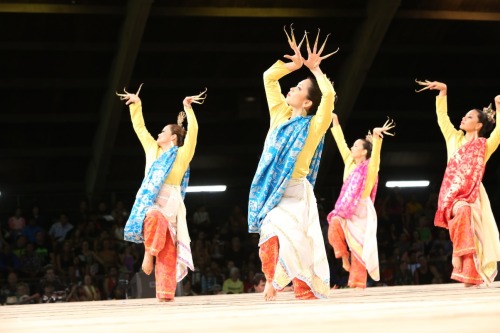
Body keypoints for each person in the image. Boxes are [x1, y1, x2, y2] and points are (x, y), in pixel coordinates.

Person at [248, 25, 337, 301]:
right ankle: (272, 279)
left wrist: (316, 70)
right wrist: (294, 66)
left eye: (297, 87)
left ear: (308, 102)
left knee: (299, 245)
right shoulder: (279, 113)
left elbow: (330, 97)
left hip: (297, 193)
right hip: (273, 193)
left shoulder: (313, 126)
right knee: (269, 231)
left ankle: (302, 290)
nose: (291, 88)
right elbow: (268, 78)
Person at [117, 84, 207, 301]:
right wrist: (136, 106)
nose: (158, 133)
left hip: (172, 205)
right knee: (155, 218)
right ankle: (148, 255)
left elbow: (193, 133)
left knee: (168, 250)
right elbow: (140, 128)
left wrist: (189, 109)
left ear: (173, 137)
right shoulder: (152, 149)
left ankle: (165, 295)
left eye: (163, 131)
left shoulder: (182, 155)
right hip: (154, 203)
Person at [416, 80, 500, 287]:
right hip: (452, 195)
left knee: (471, 227)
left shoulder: (484, 145)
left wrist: (499, 107)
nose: (463, 117)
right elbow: (442, 118)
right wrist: (443, 92)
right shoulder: (453, 139)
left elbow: (498, 133)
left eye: (469, 116)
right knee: (463, 212)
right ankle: (458, 254)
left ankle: (471, 274)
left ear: (479, 125)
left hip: (473, 194)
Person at [326, 114, 395, 289]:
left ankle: (357, 285)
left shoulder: (370, 166)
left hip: (362, 210)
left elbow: (377, 156)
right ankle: (342, 256)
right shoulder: (349, 162)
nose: (352, 147)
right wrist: (334, 120)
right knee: (333, 224)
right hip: (346, 208)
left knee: (359, 250)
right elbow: (341, 142)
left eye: (356, 145)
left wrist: (377, 137)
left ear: (364, 151)